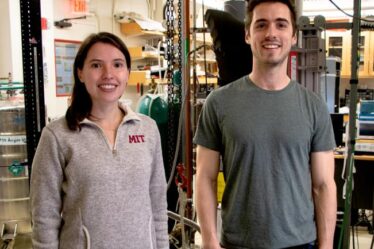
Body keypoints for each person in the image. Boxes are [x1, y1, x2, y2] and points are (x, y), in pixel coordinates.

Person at [194, 0, 337, 248]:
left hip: (300, 243)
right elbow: (204, 178)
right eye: (261, 25)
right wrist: (209, 241)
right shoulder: (218, 103)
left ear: (293, 36)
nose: (271, 33)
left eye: (281, 24)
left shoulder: (313, 107)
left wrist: (326, 246)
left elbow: (323, 185)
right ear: (248, 34)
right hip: (239, 243)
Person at [30, 32, 169, 249]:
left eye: (117, 65)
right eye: (96, 65)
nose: (108, 74)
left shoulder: (148, 129)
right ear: (80, 73)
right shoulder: (57, 136)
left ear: (127, 73)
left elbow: (158, 205)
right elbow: (44, 217)